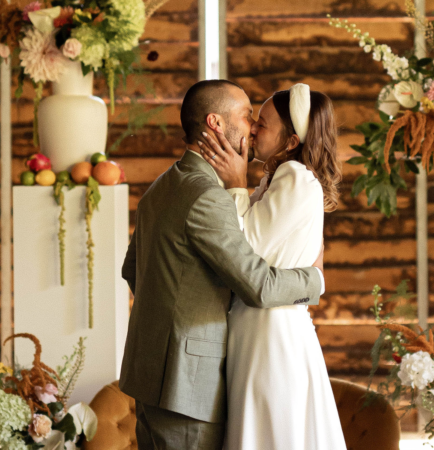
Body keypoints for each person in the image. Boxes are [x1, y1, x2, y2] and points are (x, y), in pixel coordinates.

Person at [119, 79, 326, 450]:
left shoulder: (161, 186)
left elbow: (132, 271)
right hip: (186, 385)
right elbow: (259, 286)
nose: (254, 127)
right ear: (216, 124)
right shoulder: (207, 196)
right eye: (248, 117)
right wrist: (314, 280)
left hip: (148, 376)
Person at [198, 84, 346, 449]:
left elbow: (246, 248)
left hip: (272, 334)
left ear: (291, 140)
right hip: (259, 327)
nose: (251, 129)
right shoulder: (278, 178)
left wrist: (235, 184)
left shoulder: (296, 178)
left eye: (261, 124)